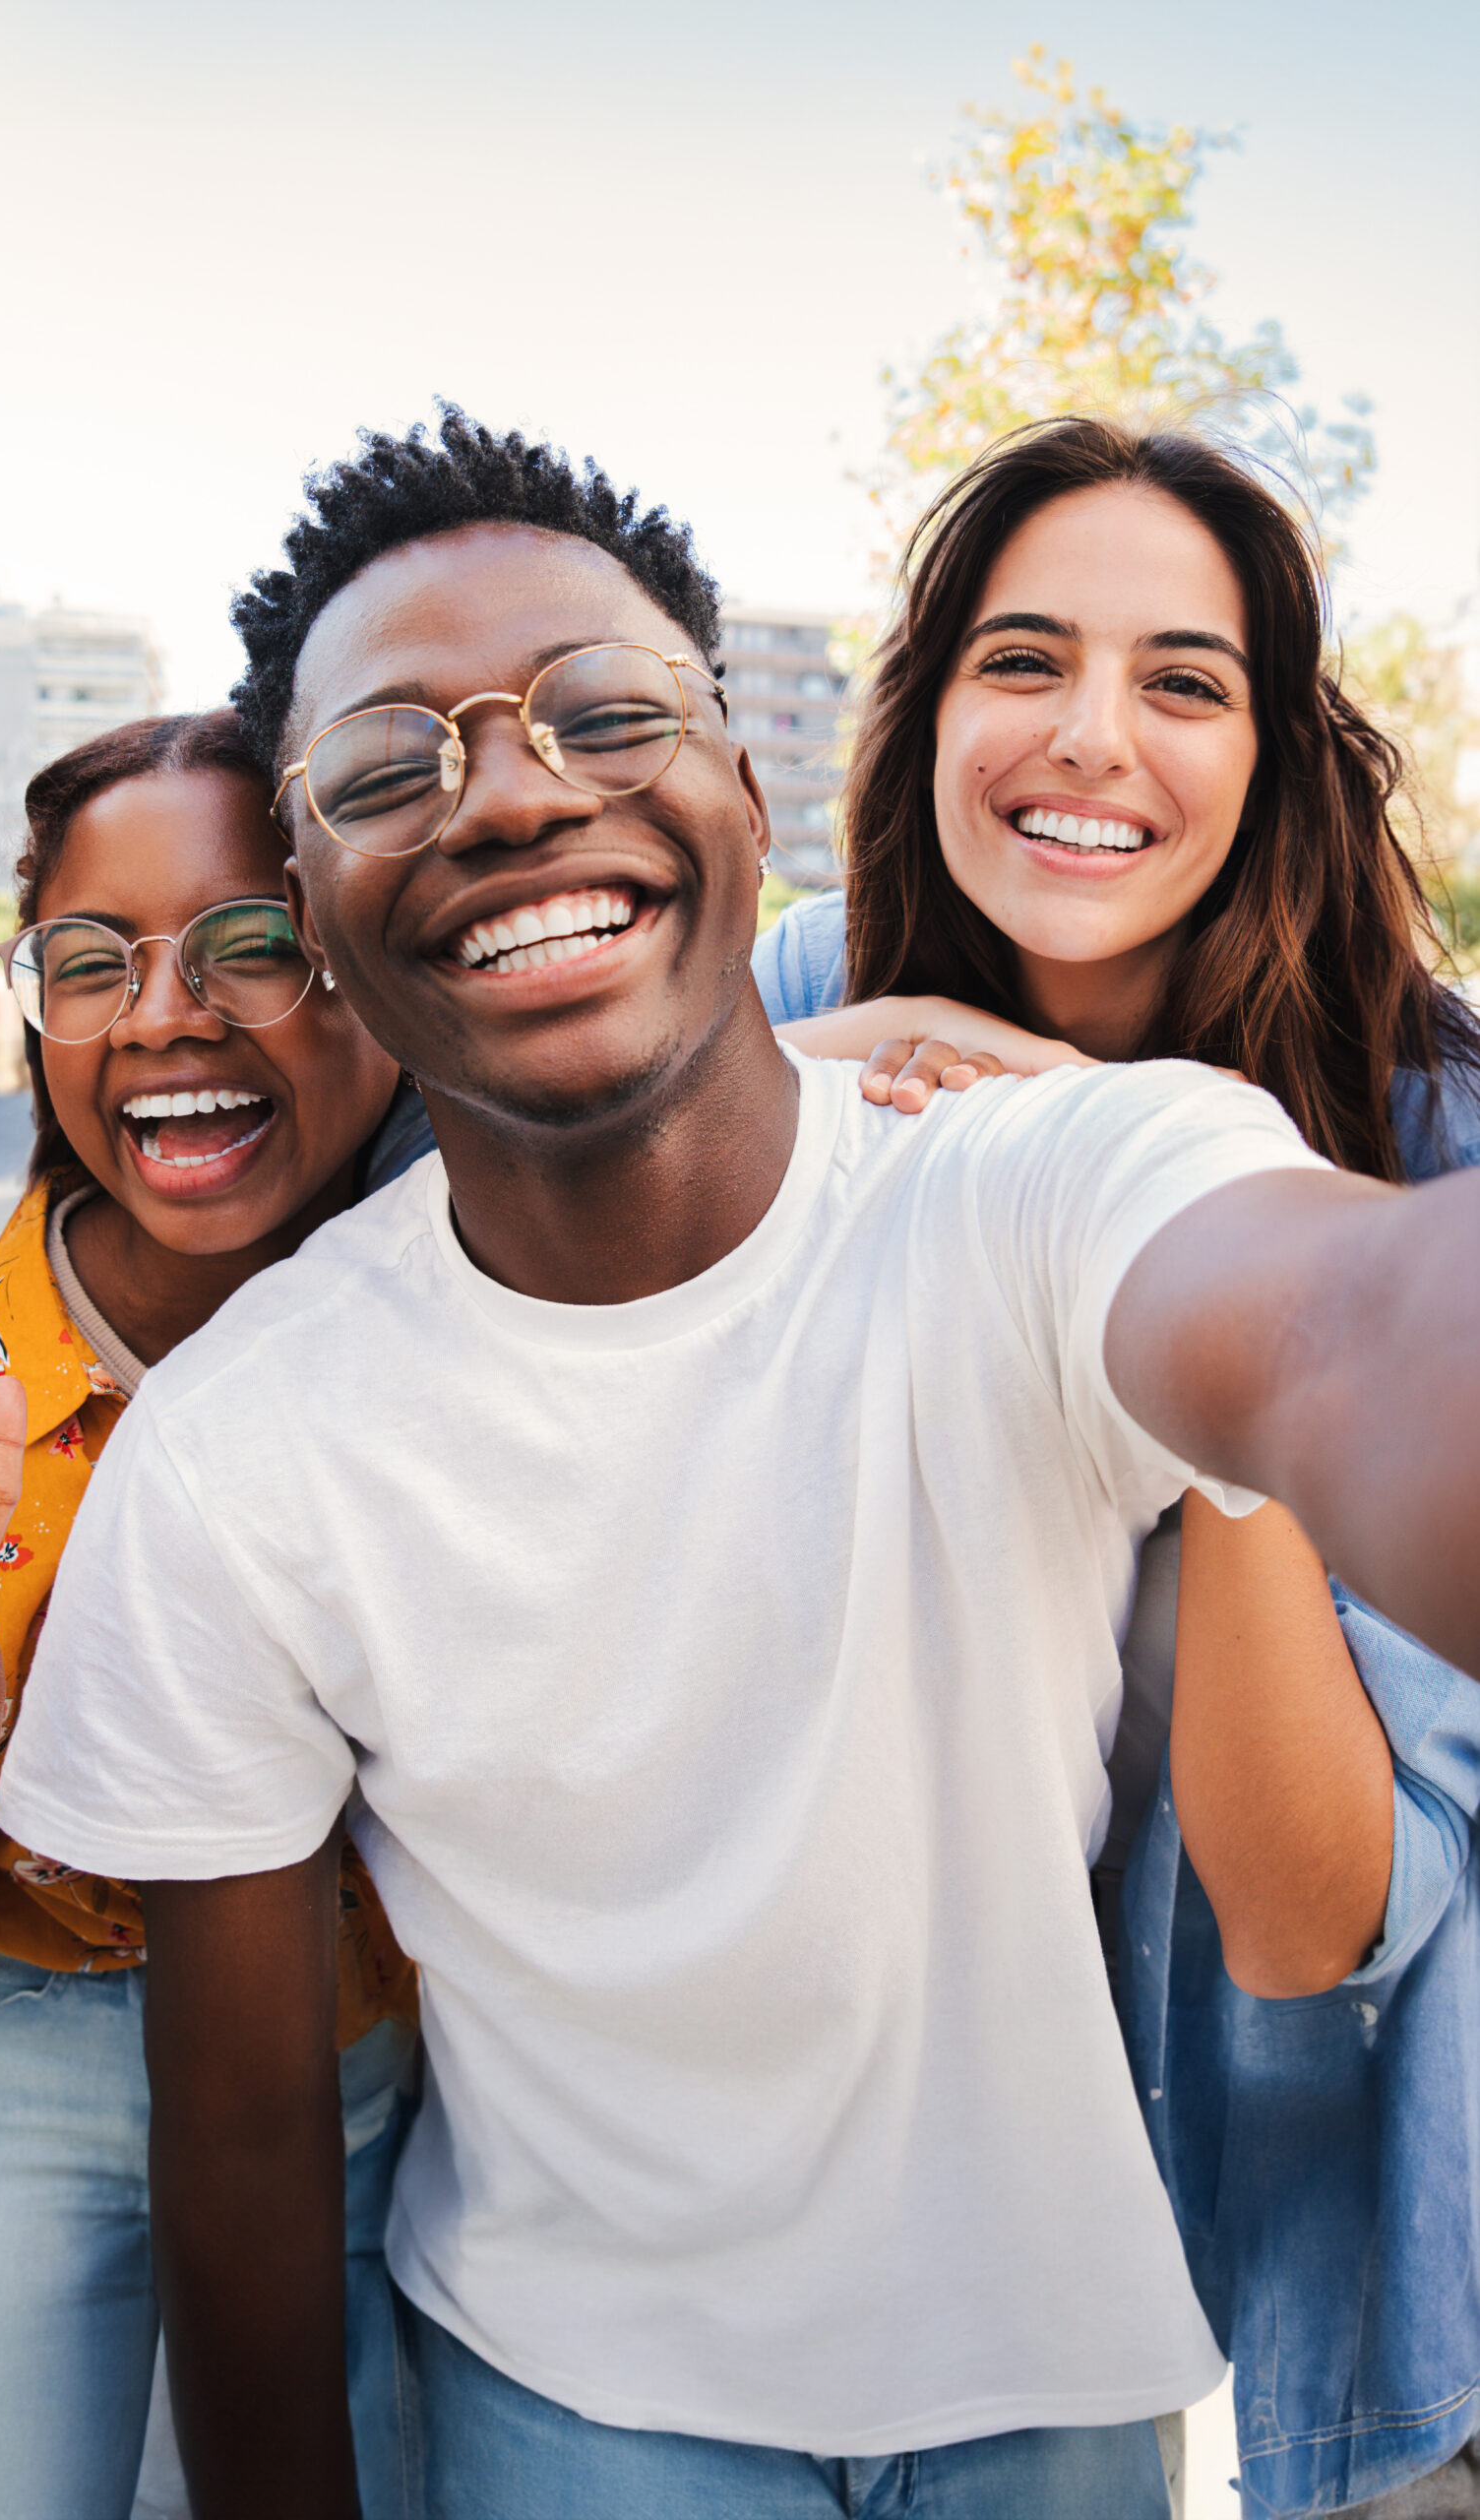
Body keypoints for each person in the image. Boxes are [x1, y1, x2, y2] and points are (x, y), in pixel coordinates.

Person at [0, 412, 1480, 2519]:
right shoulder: (247, 1443)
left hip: (1062, 2383)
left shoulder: (1062, 1162)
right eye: (393, 763)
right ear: (307, 898)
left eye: (602, 708)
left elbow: (1353, 1320)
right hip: (567, 2409)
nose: (510, 785)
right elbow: (237, 2160)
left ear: (744, 794)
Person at [752, 415, 1480, 2517]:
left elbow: (1315, 1923)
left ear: (1266, 751)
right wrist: (839, 1063)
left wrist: (1136, 1199)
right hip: (907, 2220)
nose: (1090, 737)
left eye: (1181, 679)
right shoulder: (803, 991)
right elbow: (514, 1186)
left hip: (1351, 2216)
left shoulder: (1424, 1153)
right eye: (1020, 658)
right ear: (927, 708)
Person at [0, 711, 427, 2520]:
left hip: (371, 2071)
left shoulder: (496, 1334)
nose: (168, 1012)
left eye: (252, 942)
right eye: (92, 963)